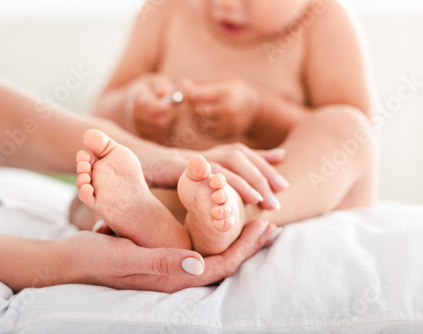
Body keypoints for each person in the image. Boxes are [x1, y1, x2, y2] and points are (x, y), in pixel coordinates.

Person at [0, 40, 280, 292]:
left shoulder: (323, 28)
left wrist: (149, 153)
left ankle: (191, 227)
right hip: (164, 189)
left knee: (337, 126)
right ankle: (201, 227)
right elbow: (105, 103)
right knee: (89, 205)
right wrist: (53, 263)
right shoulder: (171, 12)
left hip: (171, 181)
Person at [71, 0, 378, 256]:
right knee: (97, 180)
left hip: (285, 202)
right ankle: (161, 219)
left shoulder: (323, 20)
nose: (225, 5)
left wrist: (260, 113)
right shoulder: (167, 10)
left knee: (348, 127)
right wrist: (132, 108)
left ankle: (234, 216)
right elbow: (99, 116)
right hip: (173, 193)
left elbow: (357, 135)